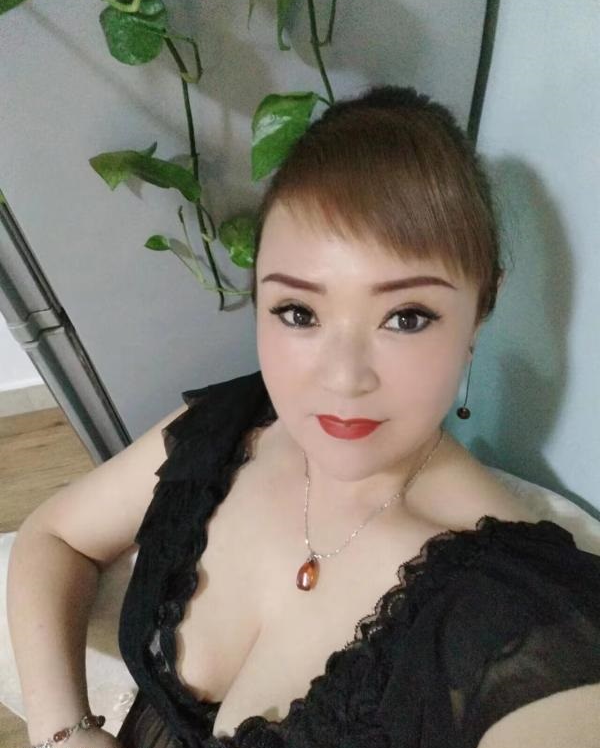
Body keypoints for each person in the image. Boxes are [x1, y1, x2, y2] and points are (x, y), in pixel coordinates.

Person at [7, 85, 600, 748]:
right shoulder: (236, 427)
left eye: (406, 317)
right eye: (299, 312)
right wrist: (64, 729)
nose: (343, 377)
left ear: (480, 312)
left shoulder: (516, 607)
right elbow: (54, 536)